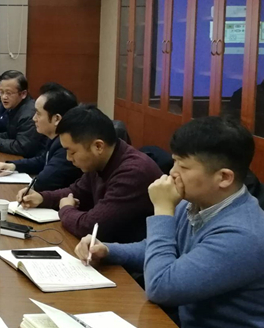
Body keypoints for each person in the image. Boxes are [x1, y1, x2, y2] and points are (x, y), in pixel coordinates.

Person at [75, 117, 264, 328]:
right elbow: (163, 249)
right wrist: (108, 250)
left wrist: (162, 209)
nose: (172, 173)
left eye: (184, 167)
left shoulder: (243, 234)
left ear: (224, 177)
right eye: (175, 161)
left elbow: (161, 287)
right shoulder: (196, 202)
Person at [19, 104, 160, 243]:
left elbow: (91, 227)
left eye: (72, 152)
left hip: (131, 254)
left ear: (98, 146)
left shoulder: (132, 173)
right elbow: (77, 191)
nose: (68, 158)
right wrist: (42, 198)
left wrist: (66, 209)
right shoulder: (103, 158)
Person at [0, 83, 81, 192]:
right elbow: (42, 160)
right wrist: (14, 166)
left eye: (38, 113)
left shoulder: (67, 146)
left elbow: (43, 182)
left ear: (56, 119)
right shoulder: (54, 138)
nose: (34, 118)